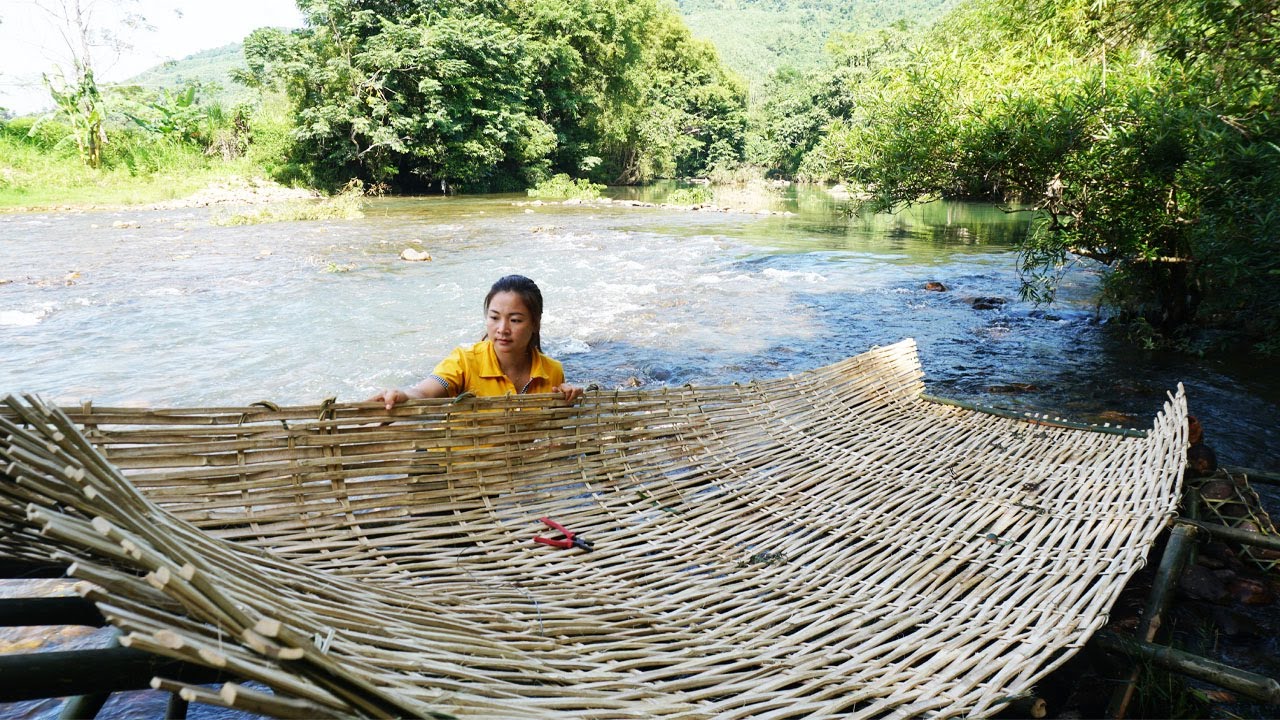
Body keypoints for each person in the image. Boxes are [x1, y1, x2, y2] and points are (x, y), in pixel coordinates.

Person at [370, 275, 582, 409]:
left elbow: (552, 434)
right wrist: (403, 395)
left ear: (535, 323)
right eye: (494, 317)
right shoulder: (464, 361)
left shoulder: (552, 371)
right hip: (456, 471)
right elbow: (426, 391)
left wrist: (569, 398)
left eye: (515, 320)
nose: (502, 329)